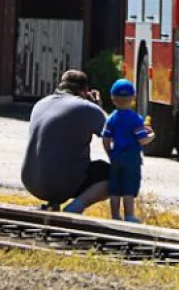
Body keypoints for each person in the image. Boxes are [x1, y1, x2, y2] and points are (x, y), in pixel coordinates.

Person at [21, 70, 109, 214]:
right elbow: (113, 130)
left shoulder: (40, 103)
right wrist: (98, 108)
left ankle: (53, 204)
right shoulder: (86, 107)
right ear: (85, 91)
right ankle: (74, 208)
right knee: (113, 175)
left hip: (30, 181)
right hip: (60, 183)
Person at [101, 79, 154, 222]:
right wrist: (151, 135)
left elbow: (106, 138)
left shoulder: (111, 118)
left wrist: (109, 153)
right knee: (129, 188)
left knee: (115, 189)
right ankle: (129, 215)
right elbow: (142, 139)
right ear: (133, 99)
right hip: (132, 157)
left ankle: (115, 215)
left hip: (116, 155)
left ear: (113, 98)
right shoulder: (136, 119)